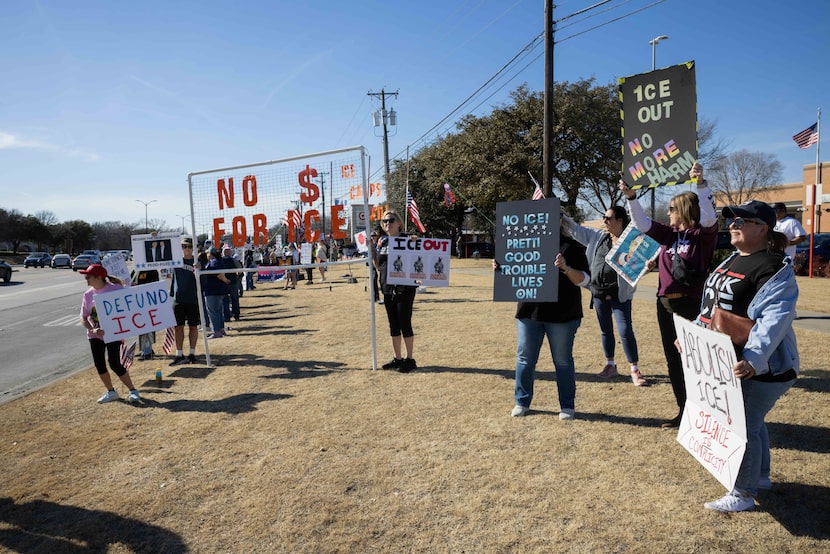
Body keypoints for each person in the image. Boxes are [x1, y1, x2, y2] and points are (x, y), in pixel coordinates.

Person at [692, 200, 799, 512]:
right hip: (729, 364)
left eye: (743, 220)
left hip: (762, 367)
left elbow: (774, 319)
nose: (734, 224)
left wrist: (753, 359)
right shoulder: (731, 260)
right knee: (753, 421)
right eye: (733, 220)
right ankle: (761, 477)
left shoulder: (773, 266)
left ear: (763, 229)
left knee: (742, 425)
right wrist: (692, 337)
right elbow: (712, 308)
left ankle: (742, 492)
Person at [620, 162, 718, 428]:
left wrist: (700, 183)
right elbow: (641, 223)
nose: (668, 212)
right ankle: (683, 410)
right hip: (664, 306)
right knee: (673, 360)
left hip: (689, 305)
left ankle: (705, 412)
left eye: (672, 208)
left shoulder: (702, 234)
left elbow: (709, 216)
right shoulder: (669, 234)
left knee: (695, 360)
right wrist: (631, 197)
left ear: (685, 210)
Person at [499, 214, 590, 420]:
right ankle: (521, 401)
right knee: (525, 358)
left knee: (563, 361)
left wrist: (566, 268)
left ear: (560, 220)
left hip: (563, 315)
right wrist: (501, 269)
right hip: (529, 312)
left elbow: (585, 280)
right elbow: (513, 273)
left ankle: (567, 406)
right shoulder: (523, 244)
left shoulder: (572, 247)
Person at [565, 206, 647, 386]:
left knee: (625, 331)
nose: (604, 221)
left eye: (608, 218)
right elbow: (576, 230)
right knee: (605, 331)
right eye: (604, 218)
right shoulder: (599, 236)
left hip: (620, 296)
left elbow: (639, 269)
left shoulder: (633, 241)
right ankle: (610, 365)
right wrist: (561, 215)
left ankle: (634, 369)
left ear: (620, 221)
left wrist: (646, 268)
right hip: (598, 294)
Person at [78, 264, 141, 404]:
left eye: (88, 277)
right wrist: (92, 329)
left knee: (114, 363)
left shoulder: (116, 289)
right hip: (95, 336)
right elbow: (83, 318)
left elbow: (130, 306)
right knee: (99, 364)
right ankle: (111, 391)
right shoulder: (88, 295)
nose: (86, 279)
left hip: (113, 334)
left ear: (98, 277)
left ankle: (133, 390)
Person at [374, 209, 418, 372]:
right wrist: (371, 249)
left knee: (404, 323)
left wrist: (416, 241)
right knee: (393, 325)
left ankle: (410, 359)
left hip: (404, 288)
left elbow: (421, 256)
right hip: (387, 288)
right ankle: (397, 358)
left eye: (391, 220)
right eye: (385, 221)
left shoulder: (407, 239)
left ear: (399, 222)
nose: (387, 223)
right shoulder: (382, 242)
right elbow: (379, 265)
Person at [169, 238, 200, 366]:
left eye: (189, 246)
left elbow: (204, 278)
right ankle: (179, 354)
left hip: (193, 298)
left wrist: (200, 269)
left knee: (193, 326)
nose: (187, 249)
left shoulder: (197, 261)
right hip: (178, 299)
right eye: (184, 246)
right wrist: (154, 236)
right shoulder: (176, 261)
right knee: (178, 328)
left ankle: (192, 353)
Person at [132, 268, 160, 360]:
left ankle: (147, 352)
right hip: (138, 302)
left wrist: (138, 285)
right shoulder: (135, 270)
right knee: (141, 327)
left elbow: (154, 285)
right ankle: (145, 349)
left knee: (148, 327)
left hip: (148, 302)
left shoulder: (151, 269)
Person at [203, 248, 230, 339]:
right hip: (219, 290)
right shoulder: (219, 261)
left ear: (210, 254)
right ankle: (221, 329)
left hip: (212, 290)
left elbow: (220, 274)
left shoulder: (214, 262)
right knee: (218, 311)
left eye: (207, 253)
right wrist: (226, 281)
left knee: (212, 311)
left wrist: (225, 280)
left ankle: (216, 331)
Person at [221, 246, 242, 321]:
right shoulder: (233, 260)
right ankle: (236, 314)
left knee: (225, 300)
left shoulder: (220, 260)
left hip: (223, 282)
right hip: (233, 281)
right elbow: (240, 269)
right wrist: (237, 275)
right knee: (235, 299)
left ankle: (227, 316)